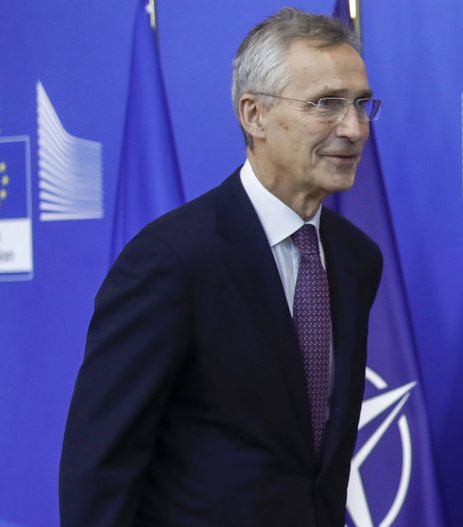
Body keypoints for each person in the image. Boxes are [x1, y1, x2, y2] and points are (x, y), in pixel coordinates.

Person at [59, 8, 382, 526]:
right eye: (326, 104)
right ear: (253, 115)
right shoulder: (171, 259)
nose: (354, 128)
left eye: (362, 104)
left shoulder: (356, 259)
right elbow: (101, 464)